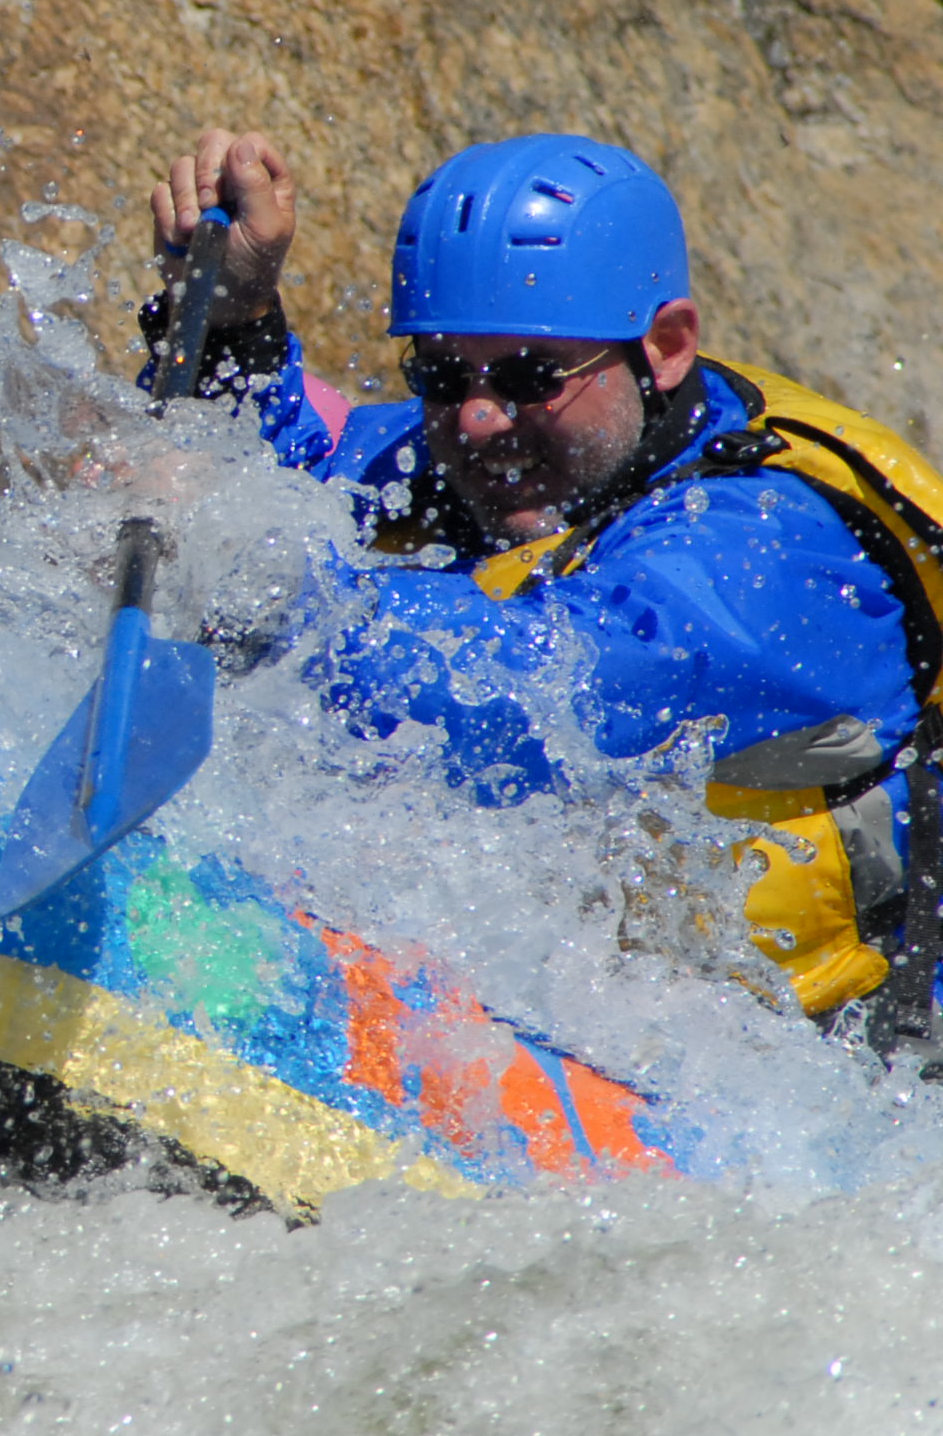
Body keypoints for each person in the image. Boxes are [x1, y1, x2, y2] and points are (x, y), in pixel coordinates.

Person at [146, 128, 943, 1025]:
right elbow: (303, 483)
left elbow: (546, 686)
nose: (483, 420)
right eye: (443, 374)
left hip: (836, 1076)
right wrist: (231, 326)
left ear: (668, 345)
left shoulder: (774, 549)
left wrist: (256, 586)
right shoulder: (525, 458)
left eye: (531, 376)